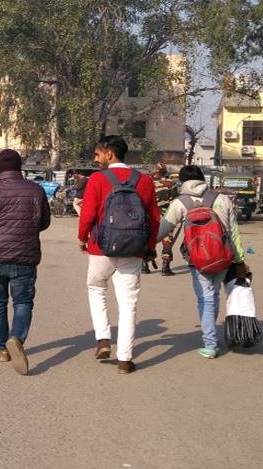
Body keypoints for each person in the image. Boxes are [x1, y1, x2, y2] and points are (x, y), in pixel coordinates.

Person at [77, 135, 160, 375]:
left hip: (101, 249)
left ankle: (103, 338)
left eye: (97, 154)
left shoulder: (97, 179)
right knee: (128, 304)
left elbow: (88, 214)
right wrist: (149, 246)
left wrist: (82, 238)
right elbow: (154, 218)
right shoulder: (144, 180)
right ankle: (125, 358)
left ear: (109, 154)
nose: (96, 159)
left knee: (96, 289)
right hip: (133, 250)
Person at [0, 149, 51, 375]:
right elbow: (44, 222)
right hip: (25, 256)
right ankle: (16, 338)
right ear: (20, 167)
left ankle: (1, 348)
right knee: (23, 302)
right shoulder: (35, 190)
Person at [156, 165, 249, 358]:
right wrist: (240, 260)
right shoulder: (223, 199)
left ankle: (210, 344)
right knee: (213, 295)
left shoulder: (180, 203)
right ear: (202, 179)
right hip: (224, 257)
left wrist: (144, 246)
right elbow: (234, 232)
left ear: (182, 181)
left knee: (206, 298)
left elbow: (164, 229)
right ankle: (211, 335)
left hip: (198, 260)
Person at [148, 164, 177, 276]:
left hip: (151, 215)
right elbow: (174, 201)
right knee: (167, 240)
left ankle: (145, 264)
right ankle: (165, 266)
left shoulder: (148, 183)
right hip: (166, 214)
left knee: (149, 239)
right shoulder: (170, 184)